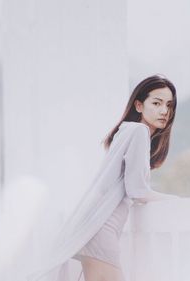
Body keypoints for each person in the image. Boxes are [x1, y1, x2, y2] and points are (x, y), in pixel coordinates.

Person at [27, 74, 178, 281]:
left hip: (95, 230)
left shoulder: (126, 131)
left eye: (169, 105)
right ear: (139, 105)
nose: (164, 111)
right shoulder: (139, 131)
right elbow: (137, 191)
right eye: (157, 103)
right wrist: (174, 200)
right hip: (102, 232)